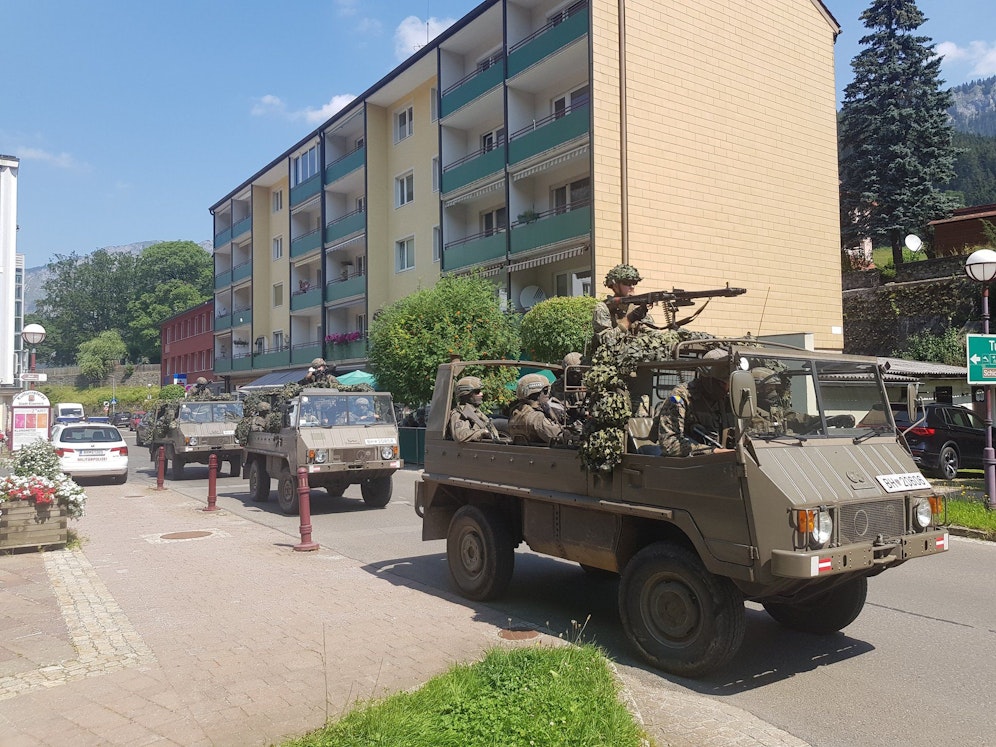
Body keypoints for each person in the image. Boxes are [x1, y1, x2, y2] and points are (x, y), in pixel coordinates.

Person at [657, 348, 736, 456]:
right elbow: (669, 444)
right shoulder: (680, 397)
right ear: (708, 380)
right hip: (686, 466)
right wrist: (712, 452)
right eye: (722, 383)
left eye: (729, 383)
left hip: (720, 463)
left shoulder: (726, 399)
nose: (727, 388)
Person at [749, 366, 855, 434]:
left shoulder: (774, 410)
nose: (774, 393)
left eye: (775, 389)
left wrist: (830, 420)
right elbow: (764, 434)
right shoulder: (748, 413)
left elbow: (801, 419)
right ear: (756, 390)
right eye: (770, 389)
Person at [592, 264, 656, 350]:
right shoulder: (603, 308)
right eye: (627, 283)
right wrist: (629, 320)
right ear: (615, 286)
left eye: (634, 283)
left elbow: (651, 334)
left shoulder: (635, 307)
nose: (632, 287)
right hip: (608, 359)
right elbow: (606, 340)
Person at [509, 373, 566, 445]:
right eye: (545, 391)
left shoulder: (515, 414)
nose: (548, 394)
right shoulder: (537, 417)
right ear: (535, 394)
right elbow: (558, 437)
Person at [448, 376, 502, 442]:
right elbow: (460, 436)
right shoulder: (460, 414)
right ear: (466, 394)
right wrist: (482, 432)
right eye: (477, 392)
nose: (481, 394)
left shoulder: (476, 412)